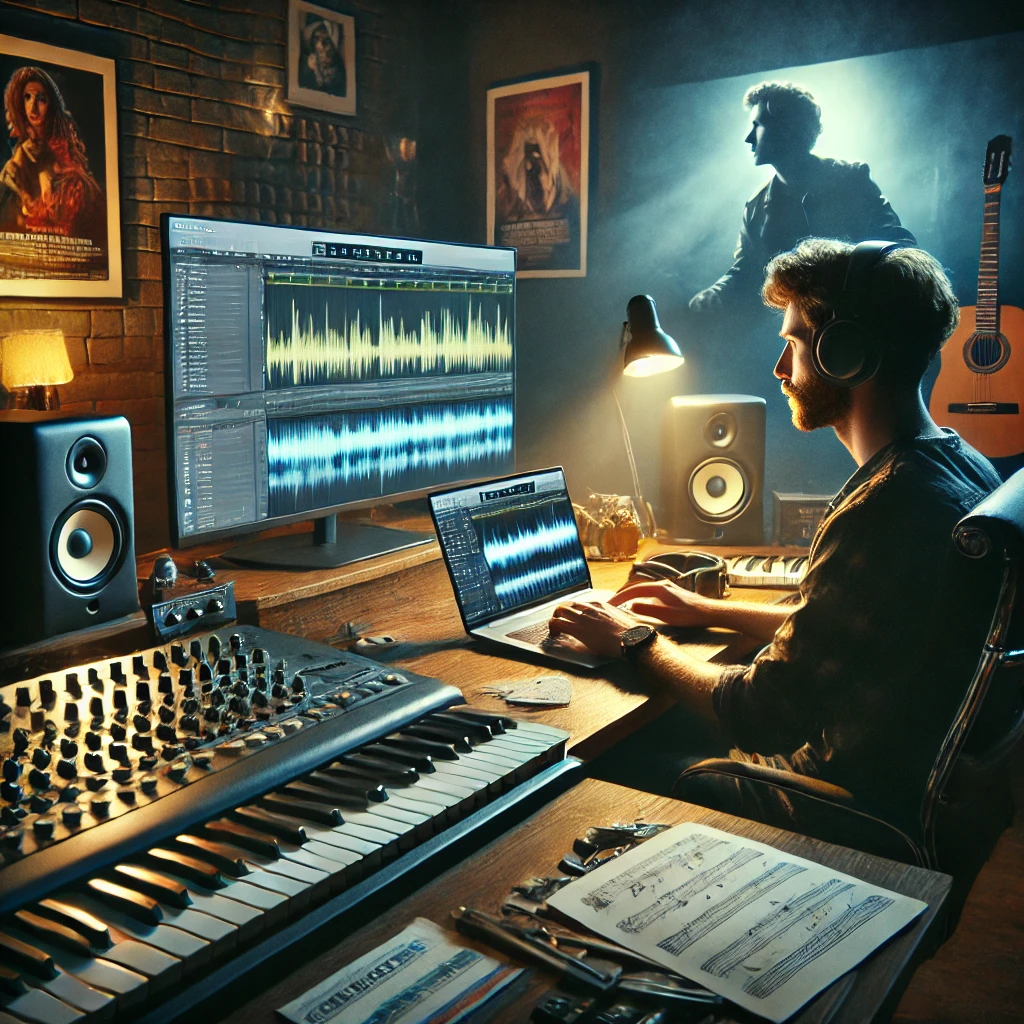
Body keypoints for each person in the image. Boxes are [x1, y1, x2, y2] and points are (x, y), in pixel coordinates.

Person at [551, 238, 1002, 836]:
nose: (780, 369)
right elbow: (842, 632)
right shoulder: (960, 465)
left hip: (840, 801)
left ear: (846, 355)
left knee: (590, 757)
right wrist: (705, 608)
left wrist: (634, 640)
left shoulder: (888, 505)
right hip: (910, 784)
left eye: (792, 343)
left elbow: (758, 713)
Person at [689, 82, 916, 312]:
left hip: (859, 317)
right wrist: (716, 291)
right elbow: (748, 266)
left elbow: (897, 243)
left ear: (786, 128)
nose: (749, 138)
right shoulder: (756, 205)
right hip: (796, 325)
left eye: (757, 125)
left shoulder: (850, 178)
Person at [0, 65, 105, 243]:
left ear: (51, 104)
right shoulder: (20, 154)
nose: (33, 107)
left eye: (41, 99)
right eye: (28, 97)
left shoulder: (65, 142)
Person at [298, 17, 347, 97]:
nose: (320, 45)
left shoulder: (338, 70)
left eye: (326, 40)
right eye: (316, 38)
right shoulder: (307, 63)